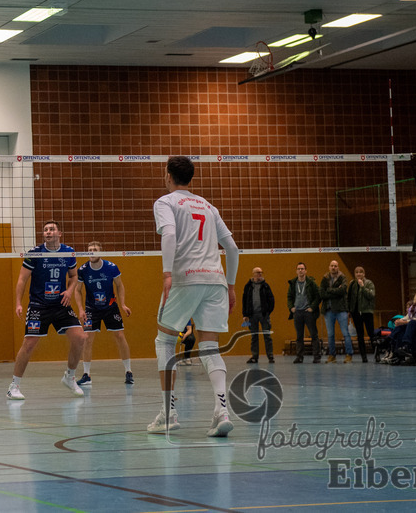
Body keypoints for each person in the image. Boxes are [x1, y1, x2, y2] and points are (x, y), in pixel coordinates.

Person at [150, 156, 239, 437]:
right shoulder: (208, 206)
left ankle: (169, 413)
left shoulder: (166, 202)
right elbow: (233, 248)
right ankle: (222, 411)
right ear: (191, 178)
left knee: (164, 340)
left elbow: (170, 235)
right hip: (216, 280)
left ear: (167, 176)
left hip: (186, 277)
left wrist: (167, 273)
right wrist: (232, 285)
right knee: (210, 347)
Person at [8, 220, 87, 400]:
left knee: (80, 337)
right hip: (38, 305)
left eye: (52, 229)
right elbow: (22, 280)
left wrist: (69, 290)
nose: (48, 232)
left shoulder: (68, 252)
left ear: (59, 233)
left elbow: (74, 276)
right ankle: (14, 386)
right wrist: (18, 303)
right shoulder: (34, 254)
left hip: (60, 304)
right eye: (45, 230)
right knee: (29, 344)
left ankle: (69, 376)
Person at [74, 241, 134, 386]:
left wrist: (123, 304)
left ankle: (128, 372)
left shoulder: (111, 267)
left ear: (100, 251)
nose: (92, 252)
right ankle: (87, 375)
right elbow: (77, 290)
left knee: (120, 336)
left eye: (94, 249)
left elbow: (120, 285)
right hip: (91, 309)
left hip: (110, 307)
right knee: (87, 338)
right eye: (89, 249)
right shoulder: (83, 270)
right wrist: (81, 310)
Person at [319, 260, 353, 363]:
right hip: (328, 310)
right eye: (332, 266)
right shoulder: (325, 278)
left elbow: (343, 291)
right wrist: (335, 292)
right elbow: (322, 294)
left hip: (341, 310)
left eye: (335, 266)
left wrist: (329, 290)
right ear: (329, 267)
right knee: (330, 335)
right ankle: (332, 356)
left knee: (345, 333)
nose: (333, 267)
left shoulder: (343, 278)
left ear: (338, 267)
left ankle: (349, 355)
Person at [288, 262, 321, 363]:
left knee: (313, 335)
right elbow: (289, 297)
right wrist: (291, 307)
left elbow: (318, 296)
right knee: (299, 336)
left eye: (302, 269)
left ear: (305, 271)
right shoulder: (293, 283)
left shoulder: (311, 283)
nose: (300, 271)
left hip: (308, 312)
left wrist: (312, 307)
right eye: (299, 269)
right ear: (296, 271)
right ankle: (299, 356)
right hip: (297, 312)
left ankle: (316, 356)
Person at [241, 267, 275, 363]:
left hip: (263, 315)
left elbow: (271, 300)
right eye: (258, 272)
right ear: (253, 274)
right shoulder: (248, 286)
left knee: (267, 336)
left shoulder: (266, 286)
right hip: (252, 316)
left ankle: (271, 356)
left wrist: (267, 312)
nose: (260, 274)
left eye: (261, 272)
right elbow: (244, 301)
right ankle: (254, 356)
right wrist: (245, 314)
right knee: (254, 336)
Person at [347, 266, 377, 363]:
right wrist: (349, 310)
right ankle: (363, 357)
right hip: (356, 313)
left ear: (364, 274)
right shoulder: (352, 284)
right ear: (355, 274)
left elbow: (371, 296)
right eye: (356, 272)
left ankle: (377, 355)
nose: (359, 274)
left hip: (367, 311)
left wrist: (363, 286)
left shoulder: (369, 283)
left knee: (371, 334)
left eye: (361, 272)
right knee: (360, 335)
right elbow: (349, 298)